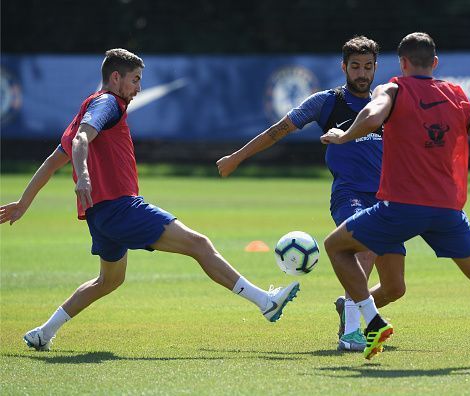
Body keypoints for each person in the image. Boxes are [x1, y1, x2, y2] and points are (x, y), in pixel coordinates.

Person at [0, 48, 300, 352]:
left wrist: (23, 203)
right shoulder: (109, 104)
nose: (138, 88)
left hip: (100, 216)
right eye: (135, 80)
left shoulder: (88, 108)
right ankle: (266, 302)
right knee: (199, 245)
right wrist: (84, 176)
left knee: (109, 281)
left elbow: (54, 160)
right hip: (121, 207)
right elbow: (79, 142)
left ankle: (44, 332)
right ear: (116, 78)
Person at [320, 32, 470, 366]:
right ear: (434, 63)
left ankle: (373, 319)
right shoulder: (457, 97)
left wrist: (345, 135)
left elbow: (374, 115)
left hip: (401, 207)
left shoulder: (393, 88)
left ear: (402, 63)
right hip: (447, 210)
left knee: (337, 246)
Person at [217, 36, 382, 352]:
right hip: (349, 194)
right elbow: (278, 130)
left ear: (376, 68)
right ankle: (351, 332)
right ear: (344, 67)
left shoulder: (383, 105)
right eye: (356, 66)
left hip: (386, 196)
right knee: (364, 245)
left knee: (395, 286)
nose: (362, 73)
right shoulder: (327, 102)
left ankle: (349, 306)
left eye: (368, 67)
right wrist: (237, 157)